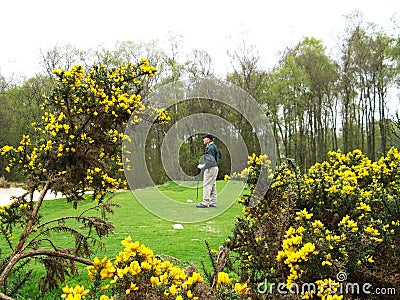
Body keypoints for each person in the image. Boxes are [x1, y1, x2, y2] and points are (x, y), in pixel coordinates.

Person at [196, 134, 220, 208]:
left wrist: (203, 166)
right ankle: (213, 202)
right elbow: (219, 155)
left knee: (207, 185)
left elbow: (210, 160)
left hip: (210, 168)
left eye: (205, 138)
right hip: (214, 167)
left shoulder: (210, 148)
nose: (203, 140)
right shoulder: (213, 147)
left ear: (209, 140)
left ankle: (205, 202)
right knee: (212, 185)